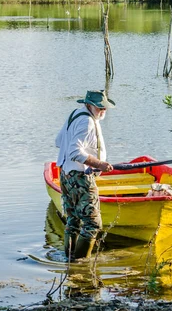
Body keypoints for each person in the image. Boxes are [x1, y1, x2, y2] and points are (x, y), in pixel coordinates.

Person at [55, 90, 115, 260]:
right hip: (80, 177)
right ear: (89, 105)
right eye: (99, 107)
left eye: (105, 108)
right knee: (92, 224)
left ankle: (69, 258)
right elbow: (75, 151)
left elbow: (59, 141)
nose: (103, 111)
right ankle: (80, 263)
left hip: (66, 174)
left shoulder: (75, 114)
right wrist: (99, 164)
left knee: (73, 220)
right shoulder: (87, 122)